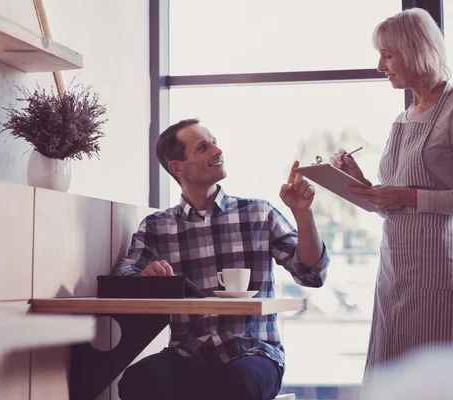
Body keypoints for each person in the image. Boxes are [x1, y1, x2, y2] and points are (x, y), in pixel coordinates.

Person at [330, 7, 453, 393]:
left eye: (388, 54)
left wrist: (404, 195)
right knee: (394, 380)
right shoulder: (401, 120)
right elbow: (391, 202)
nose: (379, 65)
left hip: (439, 268)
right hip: (395, 268)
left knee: (439, 383)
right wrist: (359, 182)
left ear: (415, 51)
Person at [113, 118, 329, 400]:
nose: (217, 151)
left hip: (254, 354)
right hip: (186, 355)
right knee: (136, 381)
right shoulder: (156, 226)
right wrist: (144, 276)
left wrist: (303, 214)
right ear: (177, 167)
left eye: (214, 142)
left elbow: (312, 273)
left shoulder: (259, 213)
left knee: (234, 385)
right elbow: (124, 272)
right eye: (203, 147)